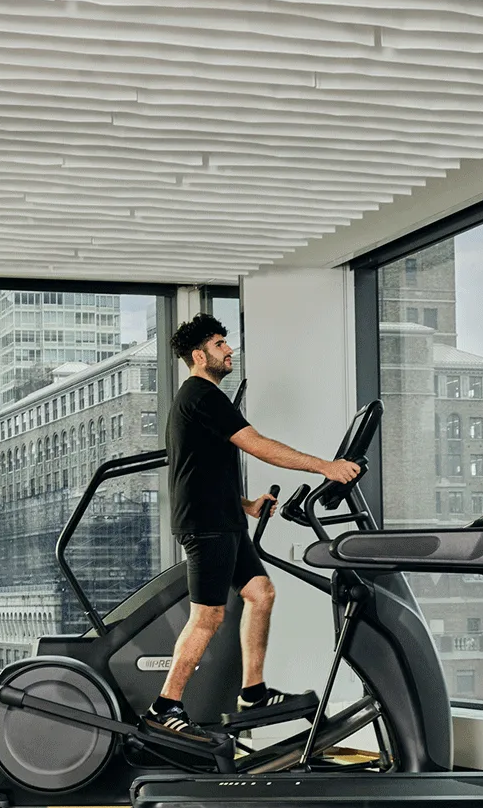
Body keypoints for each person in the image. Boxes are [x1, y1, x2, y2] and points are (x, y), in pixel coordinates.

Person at [142, 313, 361, 739]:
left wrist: (246, 505)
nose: (229, 350)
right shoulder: (201, 395)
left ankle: (254, 692)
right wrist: (325, 467)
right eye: (220, 344)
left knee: (261, 593)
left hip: (223, 519)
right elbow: (258, 445)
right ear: (198, 355)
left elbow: (198, 471)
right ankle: (163, 705)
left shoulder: (203, 400)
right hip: (207, 526)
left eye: (226, 343)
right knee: (207, 617)